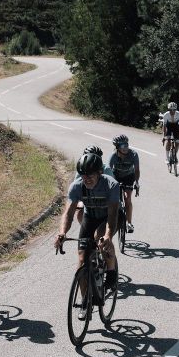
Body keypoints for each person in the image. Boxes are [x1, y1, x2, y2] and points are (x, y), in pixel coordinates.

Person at [54, 148, 119, 316]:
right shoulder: (76, 186)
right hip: (90, 217)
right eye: (83, 176)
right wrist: (62, 233)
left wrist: (108, 236)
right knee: (82, 261)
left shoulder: (111, 184)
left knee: (100, 237)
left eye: (90, 176)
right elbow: (68, 213)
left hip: (108, 218)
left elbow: (112, 216)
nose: (86, 179)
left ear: (99, 173)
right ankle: (86, 301)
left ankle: (111, 273)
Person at [108, 134, 140, 233]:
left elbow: (137, 170)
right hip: (116, 176)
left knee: (127, 198)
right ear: (117, 147)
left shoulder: (133, 154)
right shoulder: (113, 156)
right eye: (122, 146)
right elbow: (108, 170)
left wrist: (137, 182)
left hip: (129, 177)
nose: (125, 147)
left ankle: (129, 223)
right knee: (114, 200)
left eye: (126, 145)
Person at [162, 101, 179, 165]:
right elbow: (164, 126)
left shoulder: (178, 114)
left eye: (174, 110)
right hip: (168, 127)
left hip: (175, 127)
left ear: (176, 110)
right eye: (170, 110)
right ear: (168, 110)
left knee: (177, 143)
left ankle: (175, 155)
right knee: (168, 142)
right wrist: (164, 137)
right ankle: (167, 157)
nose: (172, 111)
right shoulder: (166, 115)